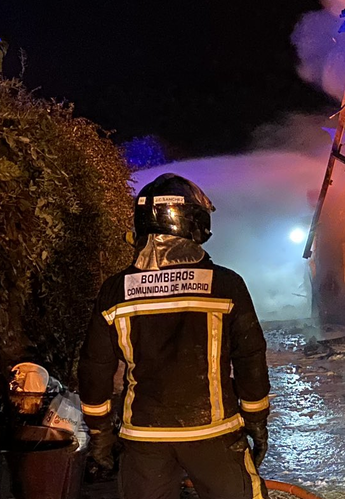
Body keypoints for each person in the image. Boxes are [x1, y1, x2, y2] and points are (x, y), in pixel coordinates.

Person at [79, 173, 271, 499]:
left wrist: (100, 433)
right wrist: (256, 419)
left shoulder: (115, 291)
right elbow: (250, 358)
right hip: (214, 432)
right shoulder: (226, 285)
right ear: (193, 222)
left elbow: (94, 367)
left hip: (142, 437)